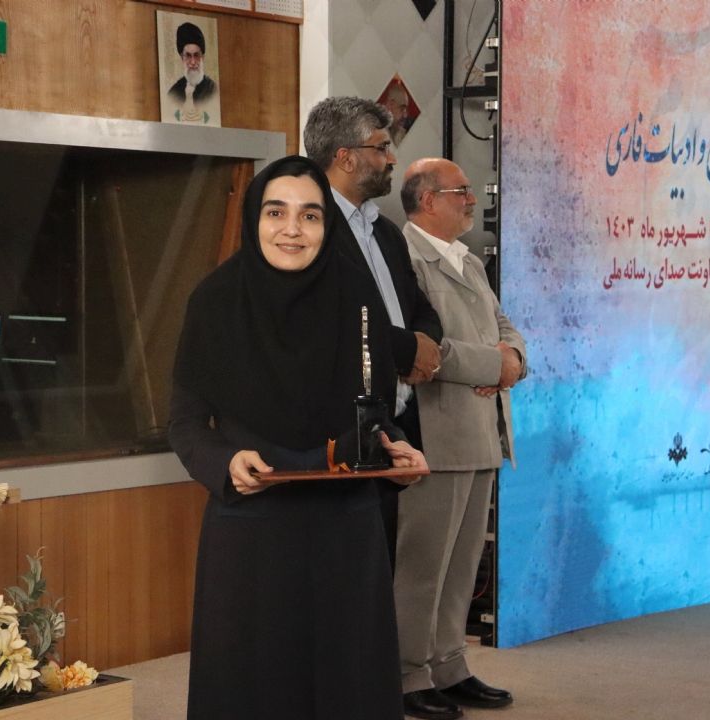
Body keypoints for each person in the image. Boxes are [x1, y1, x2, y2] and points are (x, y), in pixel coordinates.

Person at [169, 155, 427, 720]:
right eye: (276, 212)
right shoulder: (214, 300)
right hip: (252, 528)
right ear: (254, 218)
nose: (292, 229)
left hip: (345, 527)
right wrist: (224, 463)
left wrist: (394, 448)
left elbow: (375, 411)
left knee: (348, 684)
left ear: (326, 225)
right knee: (254, 687)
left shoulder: (357, 295)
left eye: (310, 215)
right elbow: (185, 423)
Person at [394, 158, 527, 720]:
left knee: (462, 563)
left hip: (481, 434)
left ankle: (449, 666)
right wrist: (493, 365)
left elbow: (504, 327)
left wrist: (512, 357)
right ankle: (408, 674)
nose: (472, 200)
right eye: (461, 191)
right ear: (427, 200)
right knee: (424, 565)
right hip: (437, 433)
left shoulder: (467, 259)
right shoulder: (404, 258)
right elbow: (423, 349)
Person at [303, 96, 443, 564]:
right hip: (340, 438)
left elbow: (421, 309)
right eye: (381, 148)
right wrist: (405, 352)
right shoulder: (311, 231)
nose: (392, 159)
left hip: (392, 430)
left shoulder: (384, 231)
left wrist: (424, 344)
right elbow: (335, 323)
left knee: (381, 578)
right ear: (345, 158)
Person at [167, 22, 217, 121]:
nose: (193, 62)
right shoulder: (174, 93)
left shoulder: (213, 90)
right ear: (182, 58)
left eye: (196, 55)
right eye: (188, 56)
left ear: (203, 57)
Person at [381, 80, 411, 146]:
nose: (405, 115)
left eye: (406, 110)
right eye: (402, 109)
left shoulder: (403, 135)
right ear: (390, 105)